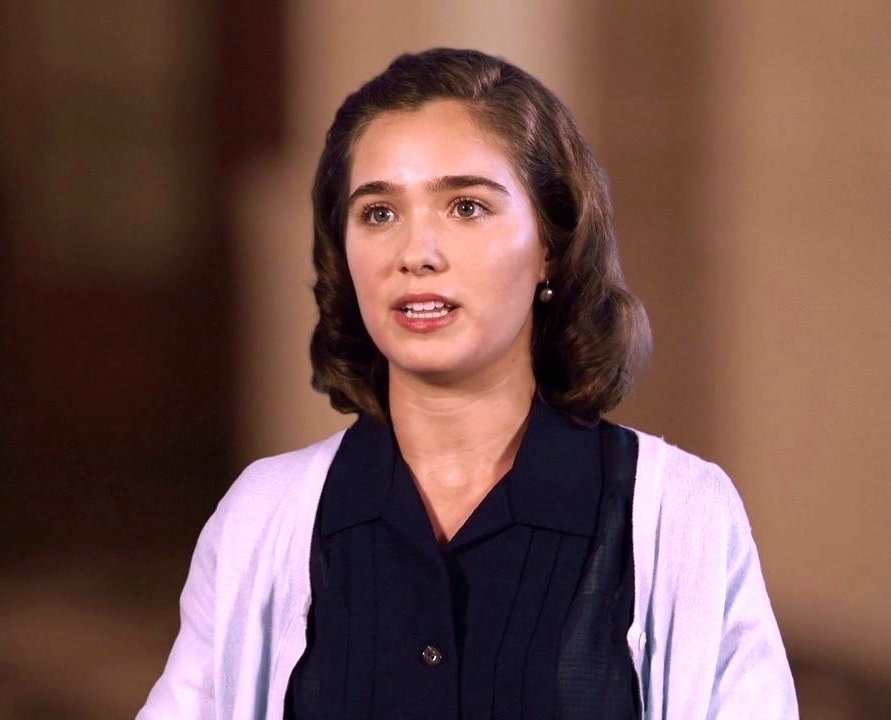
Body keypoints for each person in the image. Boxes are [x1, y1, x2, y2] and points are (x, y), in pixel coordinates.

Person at [138, 48, 797, 719]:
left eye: (466, 206)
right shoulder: (263, 519)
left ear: (550, 244)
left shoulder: (677, 515)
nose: (416, 253)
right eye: (379, 213)